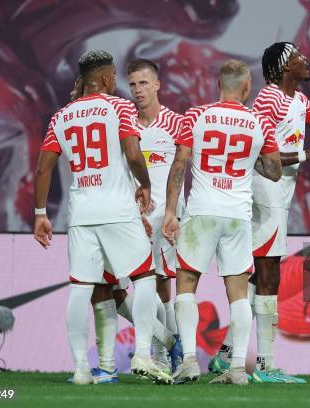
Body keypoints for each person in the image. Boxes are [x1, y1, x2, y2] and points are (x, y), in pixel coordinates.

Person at [209, 41, 310, 383]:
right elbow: (260, 154)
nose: (307, 60)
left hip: (279, 195)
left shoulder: (298, 100)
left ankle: (226, 355)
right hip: (263, 191)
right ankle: (266, 365)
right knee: (269, 274)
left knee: (262, 274)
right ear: (285, 66)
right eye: (300, 56)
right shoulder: (269, 98)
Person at [33, 50, 172, 385]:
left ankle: (82, 368)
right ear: (107, 77)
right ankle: (142, 352)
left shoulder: (61, 116)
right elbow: (133, 153)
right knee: (142, 278)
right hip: (118, 211)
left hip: (81, 214)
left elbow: (43, 168)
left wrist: (40, 214)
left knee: (80, 290)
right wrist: (146, 184)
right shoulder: (121, 107)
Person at [163, 59, 282, 385]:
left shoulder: (195, 116)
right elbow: (274, 172)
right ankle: (237, 370)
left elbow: (179, 164)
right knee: (238, 292)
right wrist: (249, 157)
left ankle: (188, 361)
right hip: (237, 215)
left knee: (186, 283)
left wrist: (171, 211)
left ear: (219, 84)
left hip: (202, 211)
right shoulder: (259, 123)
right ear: (246, 87)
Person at [128, 58, 185, 371]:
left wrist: (173, 213)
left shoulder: (177, 122)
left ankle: (168, 353)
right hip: (134, 219)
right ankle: (160, 348)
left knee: (164, 285)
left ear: (158, 84)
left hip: (167, 218)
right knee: (139, 284)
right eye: (133, 84)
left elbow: (183, 167)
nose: (138, 90)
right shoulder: (125, 125)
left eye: (144, 83)